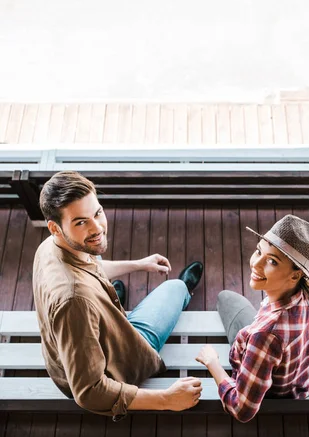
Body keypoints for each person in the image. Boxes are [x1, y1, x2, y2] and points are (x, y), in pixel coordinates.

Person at [33, 170, 203, 420]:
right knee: (173, 288)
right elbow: (89, 391)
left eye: (98, 213)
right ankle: (183, 290)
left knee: (94, 251)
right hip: (118, 362)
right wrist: (167, 399)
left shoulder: (51, 246)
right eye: (81, 222)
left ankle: (111, 299)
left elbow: (91, 266)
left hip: (71, 348)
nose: (97, 227)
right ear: (55, 228)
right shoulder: (75, 302)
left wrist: (140, 264)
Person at [196, 214, 309, 423]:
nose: (256, 264)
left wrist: (213, 364)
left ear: (295, 276)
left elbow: (241, 409)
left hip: (276, 388)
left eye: (272, 261)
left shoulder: (263, 337)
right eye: (259, 251)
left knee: (225, 298)